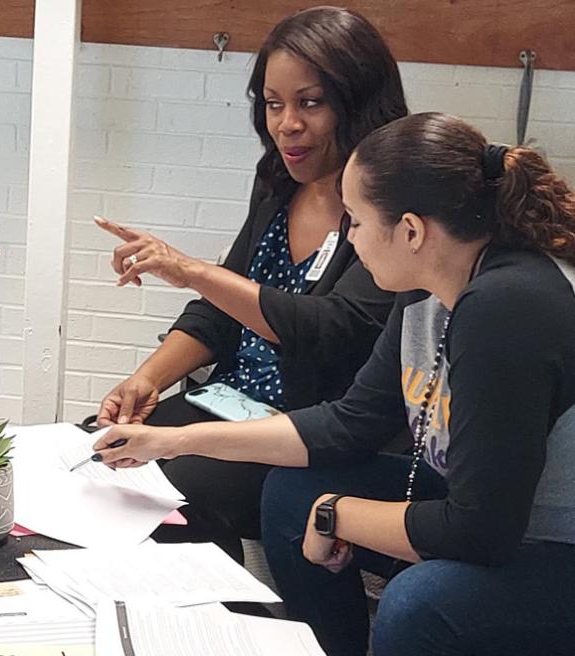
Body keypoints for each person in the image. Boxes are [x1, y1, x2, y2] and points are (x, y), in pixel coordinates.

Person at [92, 113, 575, 655]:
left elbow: (479, 532)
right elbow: (348, 424)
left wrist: (335, 513)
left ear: (412, 231)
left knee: (421, 600)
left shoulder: (507, 306)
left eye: (357, 221)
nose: (349, 236)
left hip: (548, 544)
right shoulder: (427, 287)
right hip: (498, 516)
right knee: (291, 491)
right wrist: (170, 440)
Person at [93, 6, 407, 561]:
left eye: (310, 103)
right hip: (222, 404)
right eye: (273, 103)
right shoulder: (277, 182)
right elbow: (219, 310)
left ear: (357, 103)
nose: (287, 123)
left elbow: (332, 330)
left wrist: (190, 269)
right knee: (96, 457)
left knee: (166, 501)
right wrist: (145, 380)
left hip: (300, 434)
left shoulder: (390, 214)